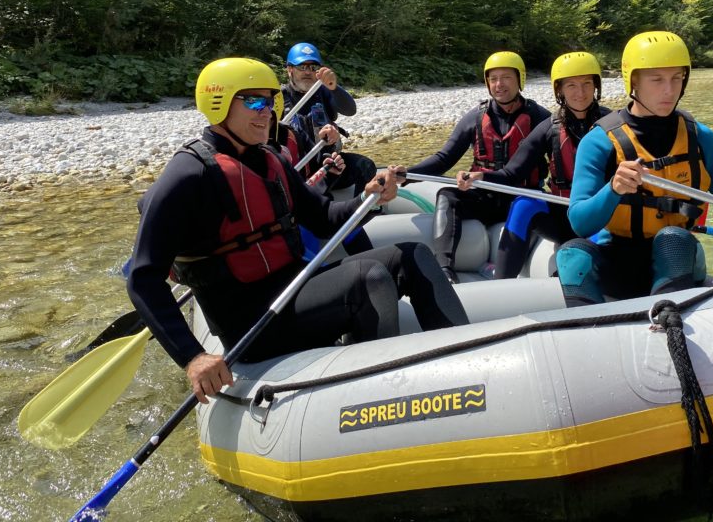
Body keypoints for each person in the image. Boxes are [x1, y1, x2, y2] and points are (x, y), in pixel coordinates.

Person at [127, 57, 469, 403]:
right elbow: (143, 278)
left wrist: (370, 199)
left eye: (273, 101)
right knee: (370, 276)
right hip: (252, 324)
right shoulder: (189, 175)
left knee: (411, 255)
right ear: (218, 103)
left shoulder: (270, 160)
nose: (268, 112)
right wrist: (192, 357)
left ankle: (467, 365)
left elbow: (323, 217)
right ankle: (380, 399)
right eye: (255, 101)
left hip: (293, 292)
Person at [560, 31, 713, 307]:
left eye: (677, 78)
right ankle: (590, 331)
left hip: (679, 258)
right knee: (571, 254)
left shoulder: (700, 137)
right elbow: (580, 222)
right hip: (618, 260)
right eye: (657, 80)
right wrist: (614, 189)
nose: (669, 90)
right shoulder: (598, 142)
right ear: (633, 81)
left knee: (672, 239)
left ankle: (667, 325)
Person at [457, 51, 611, 279]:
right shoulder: (549, 128)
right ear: (559, 90)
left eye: (587, 84)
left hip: (601, 216)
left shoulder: (614, 126)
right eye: (571, 86)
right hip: (564, 213)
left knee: (606, 235)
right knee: (524, 203)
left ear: (596, 86)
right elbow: (512, 173)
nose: (580, 93)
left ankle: (580, 273)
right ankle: (501, 282)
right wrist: (482, 177)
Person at [406, 52, 551, 282]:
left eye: (506, 77)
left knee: (528, 205)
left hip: (522, 196)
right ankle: (444, 269)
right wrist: (406, 175)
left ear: (520, 80)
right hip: (486, 198)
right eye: (493, 79)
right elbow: (445, 158)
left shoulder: (541, 118)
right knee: (447, 194)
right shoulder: (476, 117)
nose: (499, 84)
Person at [281, 42, 376, 197]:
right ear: (290, 69)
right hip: (296, 170)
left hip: (329, 164)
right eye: (302, 67)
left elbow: (350, 110)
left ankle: (365, 212)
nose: (308, 72)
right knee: (319, 198)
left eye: (313, 68)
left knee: (366, 166)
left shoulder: (324, 92)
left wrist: (333, 87)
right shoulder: (279, 98)